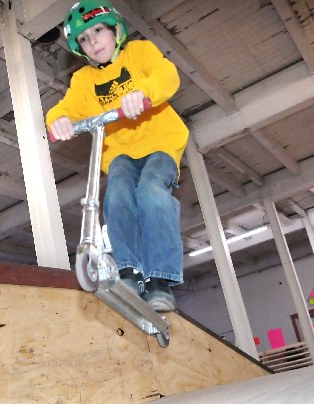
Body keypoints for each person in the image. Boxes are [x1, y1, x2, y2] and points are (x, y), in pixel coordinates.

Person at [46, 0, 189, 311]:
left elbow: (167, 75)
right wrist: (57, 120)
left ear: (115, 30)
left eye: (98, 31)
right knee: (117, 196)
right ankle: (130, 270)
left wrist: (145, 92)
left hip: (161, 143)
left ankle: (160, 277)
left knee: (151, 191)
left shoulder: (139, 52)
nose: (93, 40)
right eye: (83, 39)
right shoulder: (83, 81)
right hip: (119, 152)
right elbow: (64, 109)